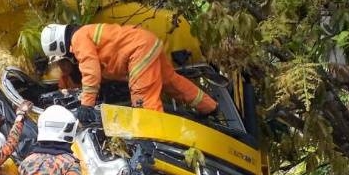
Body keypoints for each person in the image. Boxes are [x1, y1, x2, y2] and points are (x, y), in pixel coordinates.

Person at [39, 22, 218, 119]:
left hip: (138, 52)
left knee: (143, 101)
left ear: (59, 46)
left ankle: (156, 140)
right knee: (171, 81)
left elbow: (91, 72)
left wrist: (86, 105)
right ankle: (209, 107)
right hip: (147, 43)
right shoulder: (85, 32)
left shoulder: (78, 39)